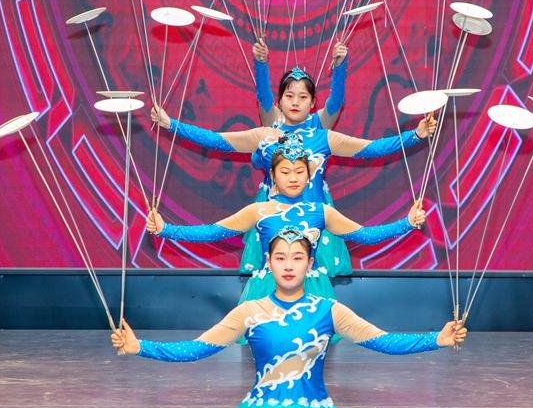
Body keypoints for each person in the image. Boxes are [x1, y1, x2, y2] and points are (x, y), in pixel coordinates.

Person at [110, 230, 466, 408]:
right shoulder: (250, 311)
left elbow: (381, 341)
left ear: (310, 264)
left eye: (297, 258)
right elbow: (199, 347)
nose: (288, 265)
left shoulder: (329, 310)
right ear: (268, 262)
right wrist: (140, 347)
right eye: (280, 257)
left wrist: (436, 339)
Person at [149, 39, 436, 277]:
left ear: (312, 103)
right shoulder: (265, 135)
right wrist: (170, 124)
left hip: (313, 215)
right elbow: (216, 140)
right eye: (289, 96)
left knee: (312, 274)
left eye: (303, 97)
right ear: (280, 100)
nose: (296, 102)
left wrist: (415, 135)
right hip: (273, 214)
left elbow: (370, 148)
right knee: (275, 272)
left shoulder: (323, 137)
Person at [146, 135, 426, 301]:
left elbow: (364, 235)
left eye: (299, 171)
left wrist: (407, 222)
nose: (293, 178)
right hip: (266, 293)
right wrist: (165, 229)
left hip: (313, 293)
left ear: (309, 175)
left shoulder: (321, 212)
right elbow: (212, 232)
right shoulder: (259, 210)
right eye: (285, 171)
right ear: (272, 175)